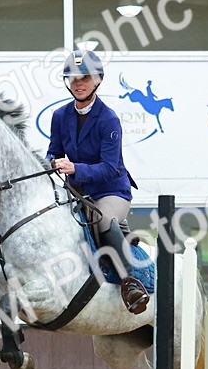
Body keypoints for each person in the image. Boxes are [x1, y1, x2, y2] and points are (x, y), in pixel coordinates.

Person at [46, 49, 149, 315]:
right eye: (73, 79)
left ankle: (130, 282)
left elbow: (109, 167)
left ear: (98, 80)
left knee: (103, 220)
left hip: (111, 191)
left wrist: (74, 168)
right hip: (78, 192)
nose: (78, 83)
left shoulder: (108, 119)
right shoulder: (60, 116)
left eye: (85, 78)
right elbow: (53, 151)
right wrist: (49, 163)